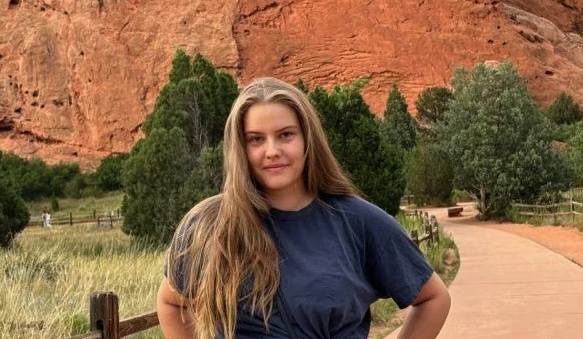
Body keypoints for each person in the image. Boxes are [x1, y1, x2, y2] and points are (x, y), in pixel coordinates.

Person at [156, 77, 451, 339]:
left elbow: (433, 298)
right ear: (240, 149)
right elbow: (172, 303)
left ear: (308, 140)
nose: (272, 151)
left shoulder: (356, 220)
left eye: (285, 135)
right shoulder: (208, 224)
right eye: (256, 139)